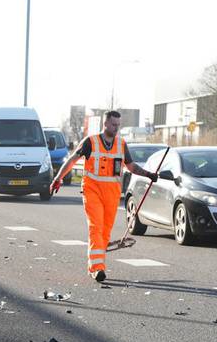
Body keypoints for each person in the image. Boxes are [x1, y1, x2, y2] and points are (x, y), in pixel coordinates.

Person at [52, 111, 160, 282]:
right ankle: (97, 269)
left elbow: (131, 166)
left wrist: (148, 174)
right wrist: (58, 178)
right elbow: (73, 160)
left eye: (118, 124)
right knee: (96, 227)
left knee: (105, 232)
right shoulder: (91, 142)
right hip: (92, 190)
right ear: (105, 124)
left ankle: (96, 264)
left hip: (112, 194)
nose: (116, 128)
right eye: (113, 124)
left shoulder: (121, 144)